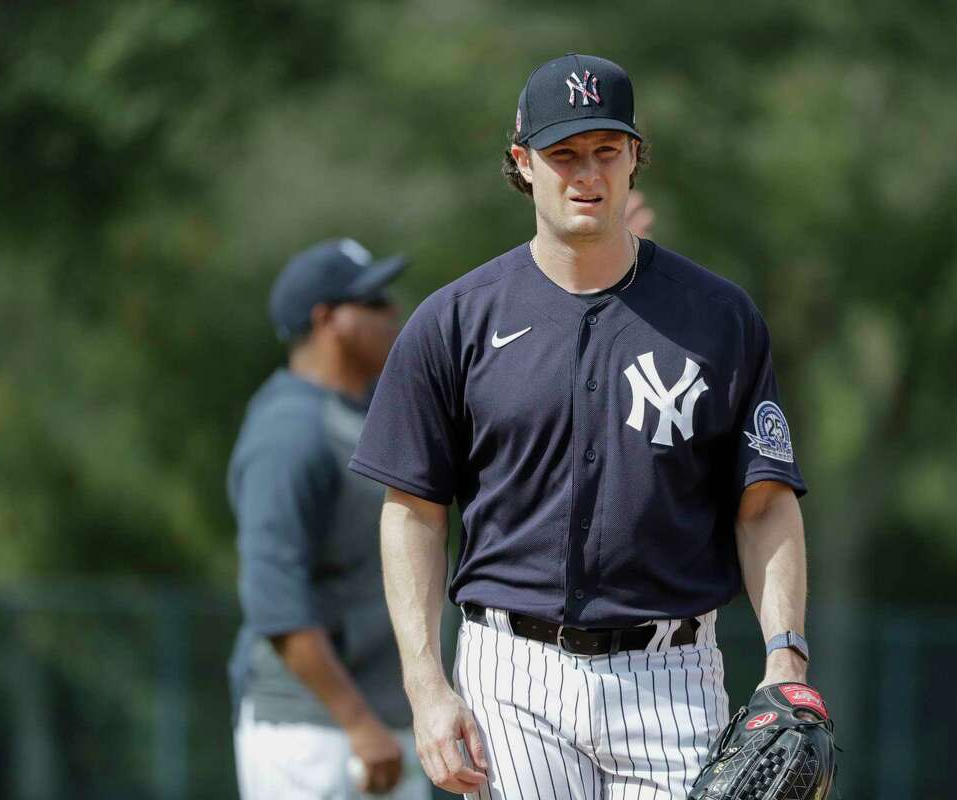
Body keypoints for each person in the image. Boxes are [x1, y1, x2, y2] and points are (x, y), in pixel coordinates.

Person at [350, 54, 818, 800]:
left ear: (636, 157)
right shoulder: (455, 320)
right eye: (562, 154)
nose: (585, 174)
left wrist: (785, 657)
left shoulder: (720, 318)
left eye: (605, 150)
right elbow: (412, 511)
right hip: (512, 673)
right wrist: (425, 684)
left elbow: (764, 504)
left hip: (672, 671)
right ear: (522, 163)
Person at [227, 238, 431, 799]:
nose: (393, 312)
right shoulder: (288, 432)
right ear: (327, 320)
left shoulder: (365, 413)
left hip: (379, 724)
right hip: (314, 734)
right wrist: (358, 725)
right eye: (372, 301)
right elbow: (277, 604)